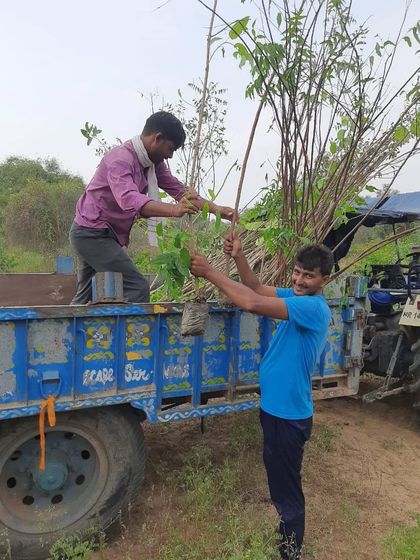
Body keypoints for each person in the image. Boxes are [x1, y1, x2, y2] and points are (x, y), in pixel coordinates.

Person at [190, 233, 334, 560]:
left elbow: (252, 303)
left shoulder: (312, 308)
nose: (299, 279)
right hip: (274, 410)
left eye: (308, 276)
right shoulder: (296, 296)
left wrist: (210, 272)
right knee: (280, 481)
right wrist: (239, 256)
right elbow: (255, 288)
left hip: (289, 416)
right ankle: (285, 539)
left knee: (287, 490)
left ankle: (289, 552)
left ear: (325, 280)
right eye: (297, 272)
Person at [69, 111, 234, 304]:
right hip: (91, 233)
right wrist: (174, 210)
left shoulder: (152, 164)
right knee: (137, 286)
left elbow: (181, 192)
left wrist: (220, 211)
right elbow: (129, 199)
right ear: (158, 138)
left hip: (100, 234)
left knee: (83, 298)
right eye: (170, 148)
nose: (171, 156)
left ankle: (69, 332)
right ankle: (133, 335)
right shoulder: (120, 159)